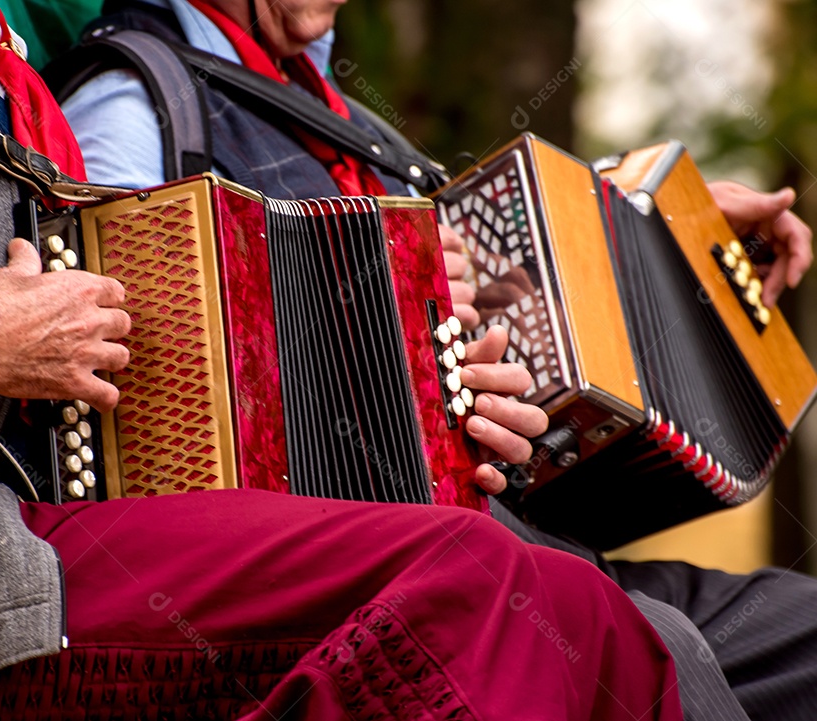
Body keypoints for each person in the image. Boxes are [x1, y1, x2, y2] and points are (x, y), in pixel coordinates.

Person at [0, 1, 687, 720]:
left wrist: (427, 406)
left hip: (44, 532)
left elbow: (119, 360)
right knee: (492, 587)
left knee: (581, 614)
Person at [57, 1, 817, 719]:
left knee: (803, 628)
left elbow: (489, 299)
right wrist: (384, 357)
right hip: (364, 586)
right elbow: (140, 434)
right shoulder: (136, 103)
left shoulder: (349, 124)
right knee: (662, 651)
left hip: (512, 542)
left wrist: (675, 238)